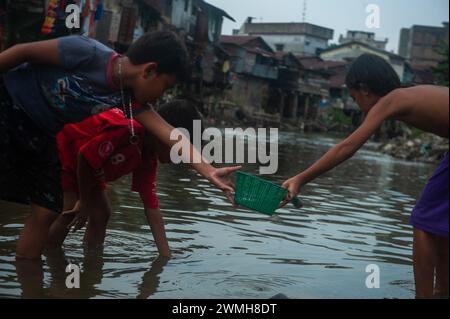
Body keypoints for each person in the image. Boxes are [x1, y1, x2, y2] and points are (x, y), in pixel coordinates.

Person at [0, 31, 240, 260]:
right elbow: (23, 52)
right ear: (149, 70)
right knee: (55, 207)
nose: (161, 96)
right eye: (165, 87)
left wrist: (208, 170)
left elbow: (170, 134)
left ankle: (28, 279)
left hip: (42, 133)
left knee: (47, 210)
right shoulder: (87, 52)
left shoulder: (129, 100)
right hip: (9, 104)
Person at [281, 54, 449, 299]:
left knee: (423, 220)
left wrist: (300, 179)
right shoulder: (409, 93)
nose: (356, 103)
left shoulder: (391, 100)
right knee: (438, 222)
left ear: (365, 90)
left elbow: (348, 147)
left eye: (354, 97)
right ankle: (443, 290)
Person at [46, 100, 202, 257]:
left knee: (101, 214)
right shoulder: (128, 130)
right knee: (71, 210)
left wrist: (166, 257)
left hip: (90, 165)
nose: (180, 158)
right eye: (180, 151)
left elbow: (152, 208)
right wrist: (84, 202)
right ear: (166, 133)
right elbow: (84, 156)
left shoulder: (147, 157)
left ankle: (91, 262)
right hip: (67, 147)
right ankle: (45, 258)